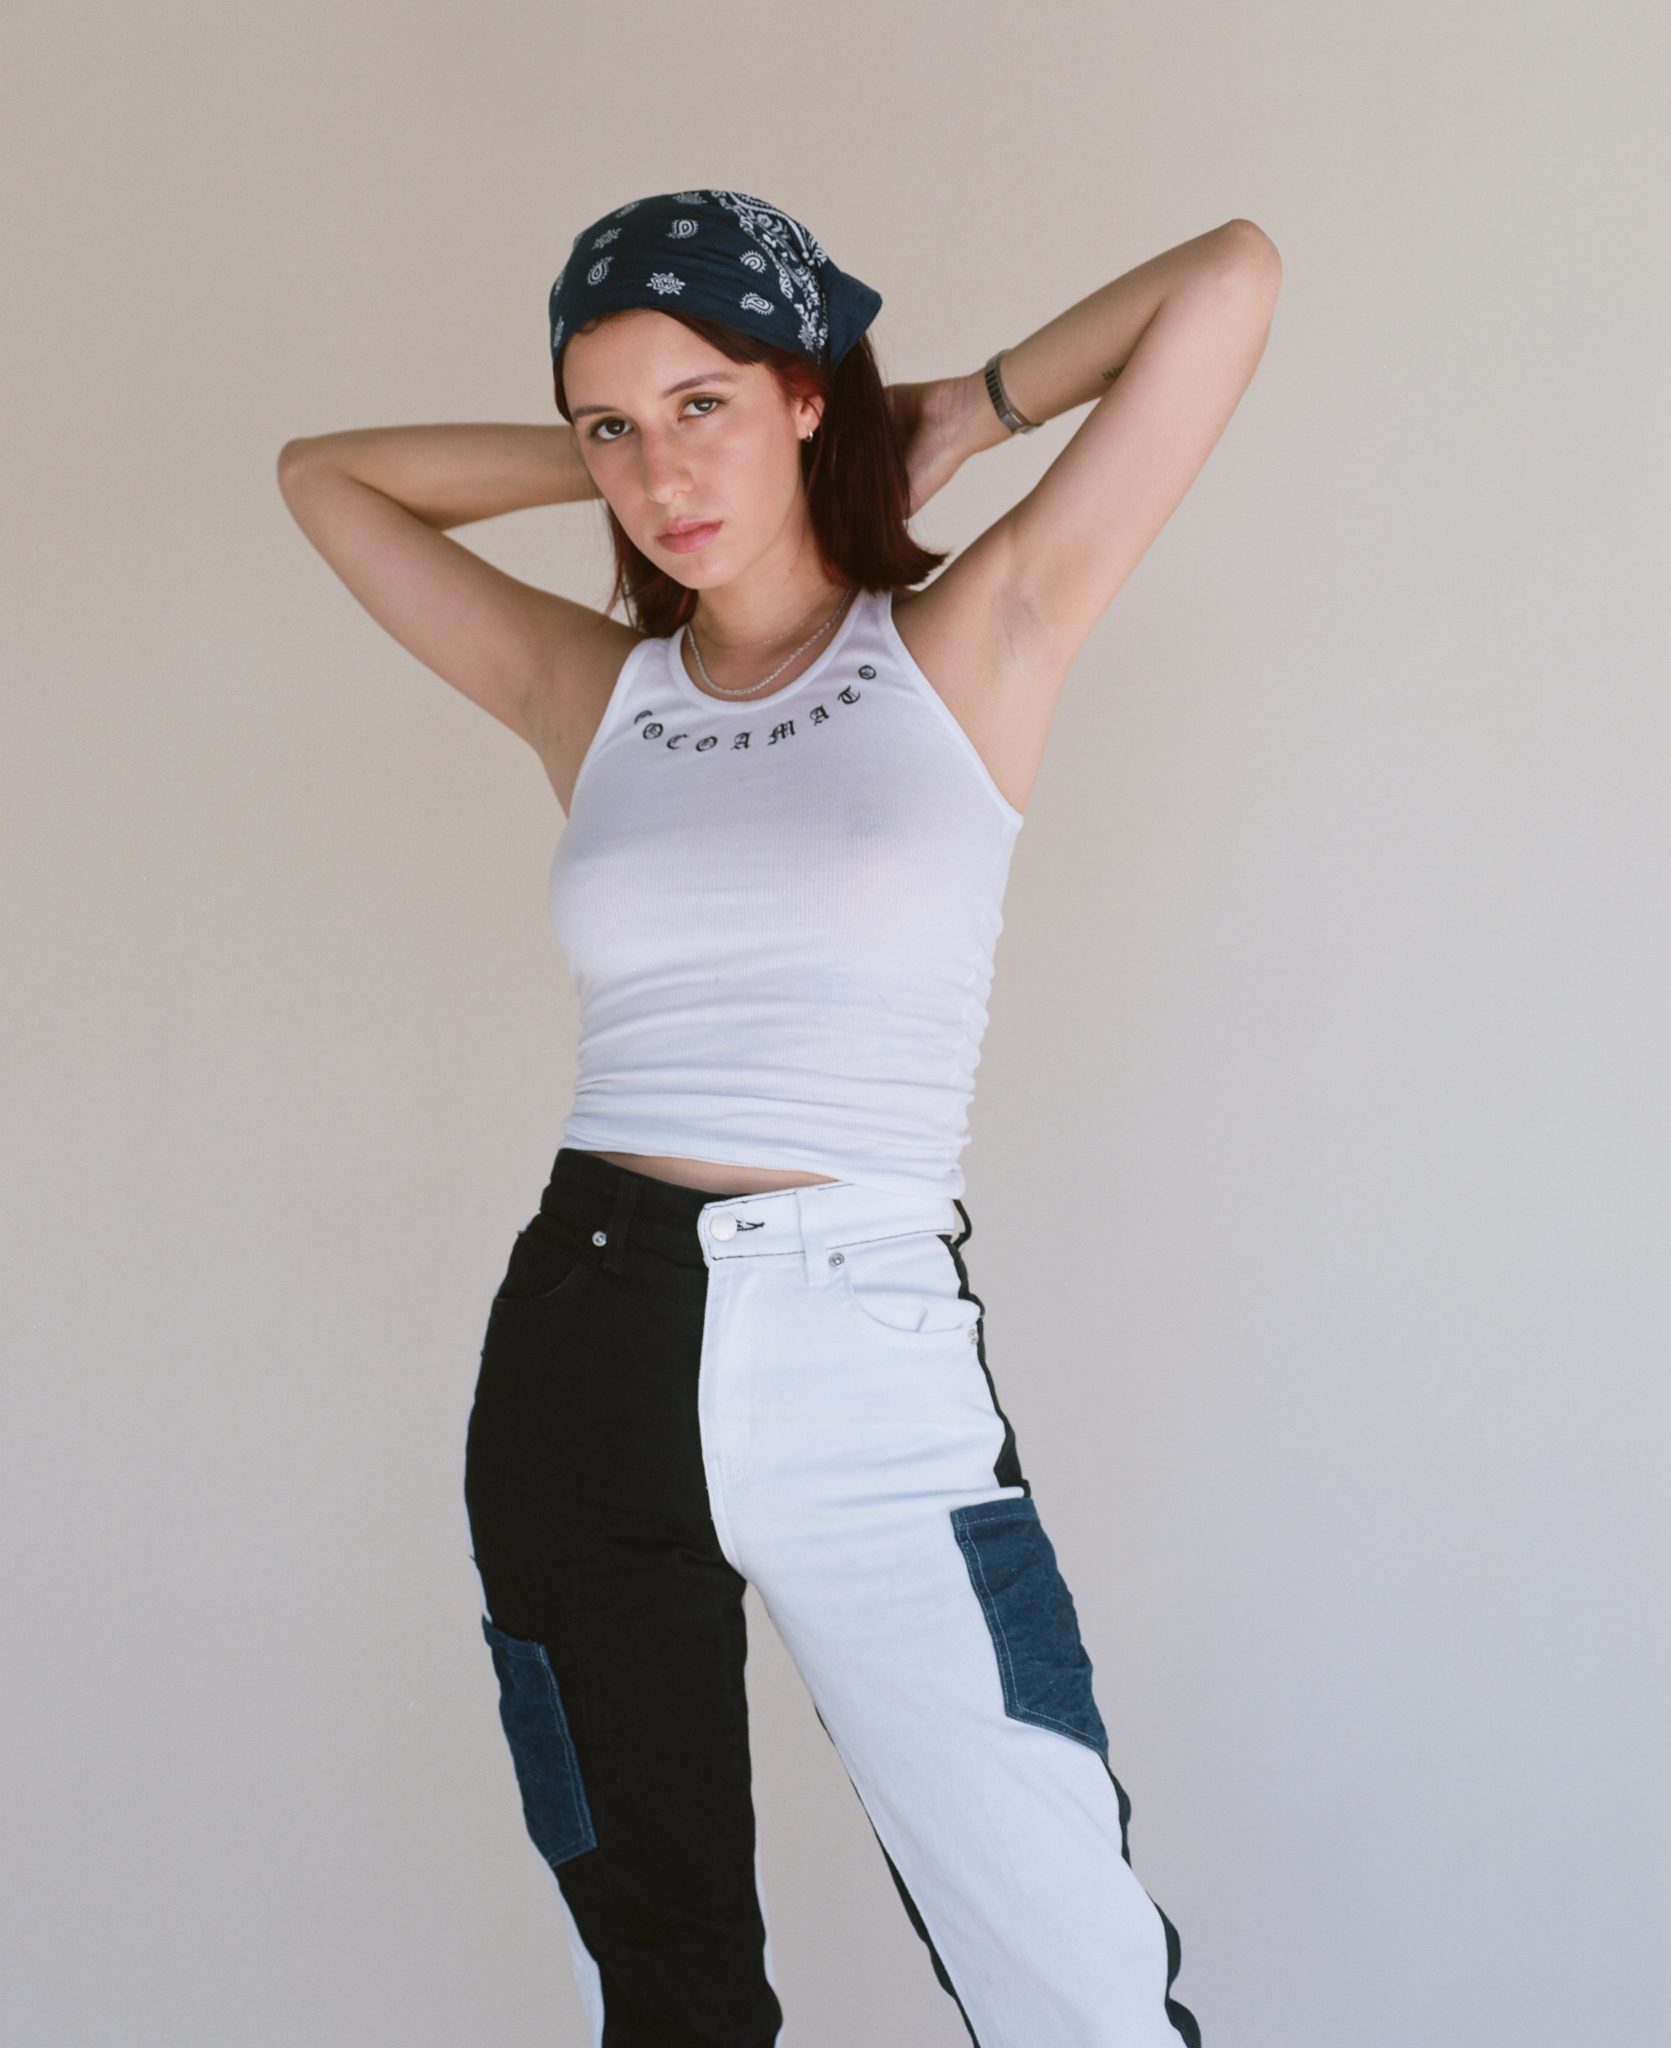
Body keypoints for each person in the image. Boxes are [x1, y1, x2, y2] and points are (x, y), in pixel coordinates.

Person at [278, 186, 1280, 2047]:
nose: (661, 472)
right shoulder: (595, 692)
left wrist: (954, 408)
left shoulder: (976, 636)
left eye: (706, 405)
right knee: (668, 1999)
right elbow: (325, 479)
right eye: (611, 424)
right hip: (585, 1346)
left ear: (809, 394)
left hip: (865, 1355)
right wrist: (626, 455)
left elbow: (1229, 278)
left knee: (1075, 1985)